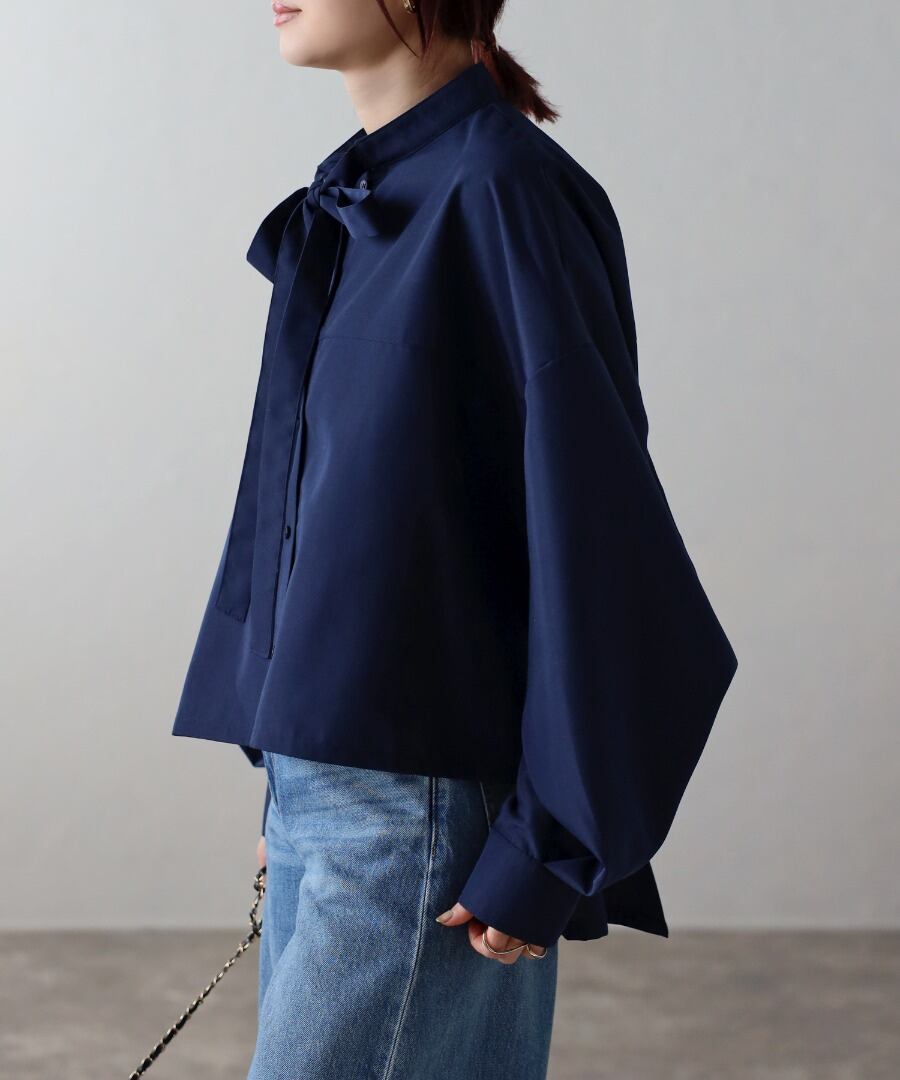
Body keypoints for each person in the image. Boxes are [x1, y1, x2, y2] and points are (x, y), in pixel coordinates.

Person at [171, 2, 738, 1076]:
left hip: (422, 819)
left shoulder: (504, 192)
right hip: (341, 796)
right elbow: (343, 519)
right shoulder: (369, 196)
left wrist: (548, 844)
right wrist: (299, 782)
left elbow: (601, 536)